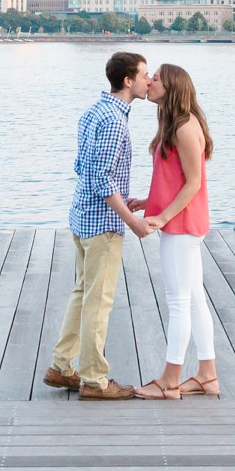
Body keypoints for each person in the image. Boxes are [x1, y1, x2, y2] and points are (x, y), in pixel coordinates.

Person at [44, 51, 153, 400]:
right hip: (101, 223)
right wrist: (133, 221)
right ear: (128, 81)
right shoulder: (114, 121)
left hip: (81, 216)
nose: (148, 81)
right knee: (99, 300)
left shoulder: (94, 111)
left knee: (82, 293)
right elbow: (102, 179)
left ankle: (62, 366)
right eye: (144, 75)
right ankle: (94, 380)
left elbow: (82, 166)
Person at [133, 63, 217, 399]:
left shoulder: (184, 127)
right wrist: (147, 201)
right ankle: (207, 376)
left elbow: (194, 184)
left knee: (179, 302)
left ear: (173, 88)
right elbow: (175, 179)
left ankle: (170, 381)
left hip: (181, 226)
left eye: (156, 79)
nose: (150, 82)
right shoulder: (175, 124)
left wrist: (161, 217)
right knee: (194, 300)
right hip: (182, 223)